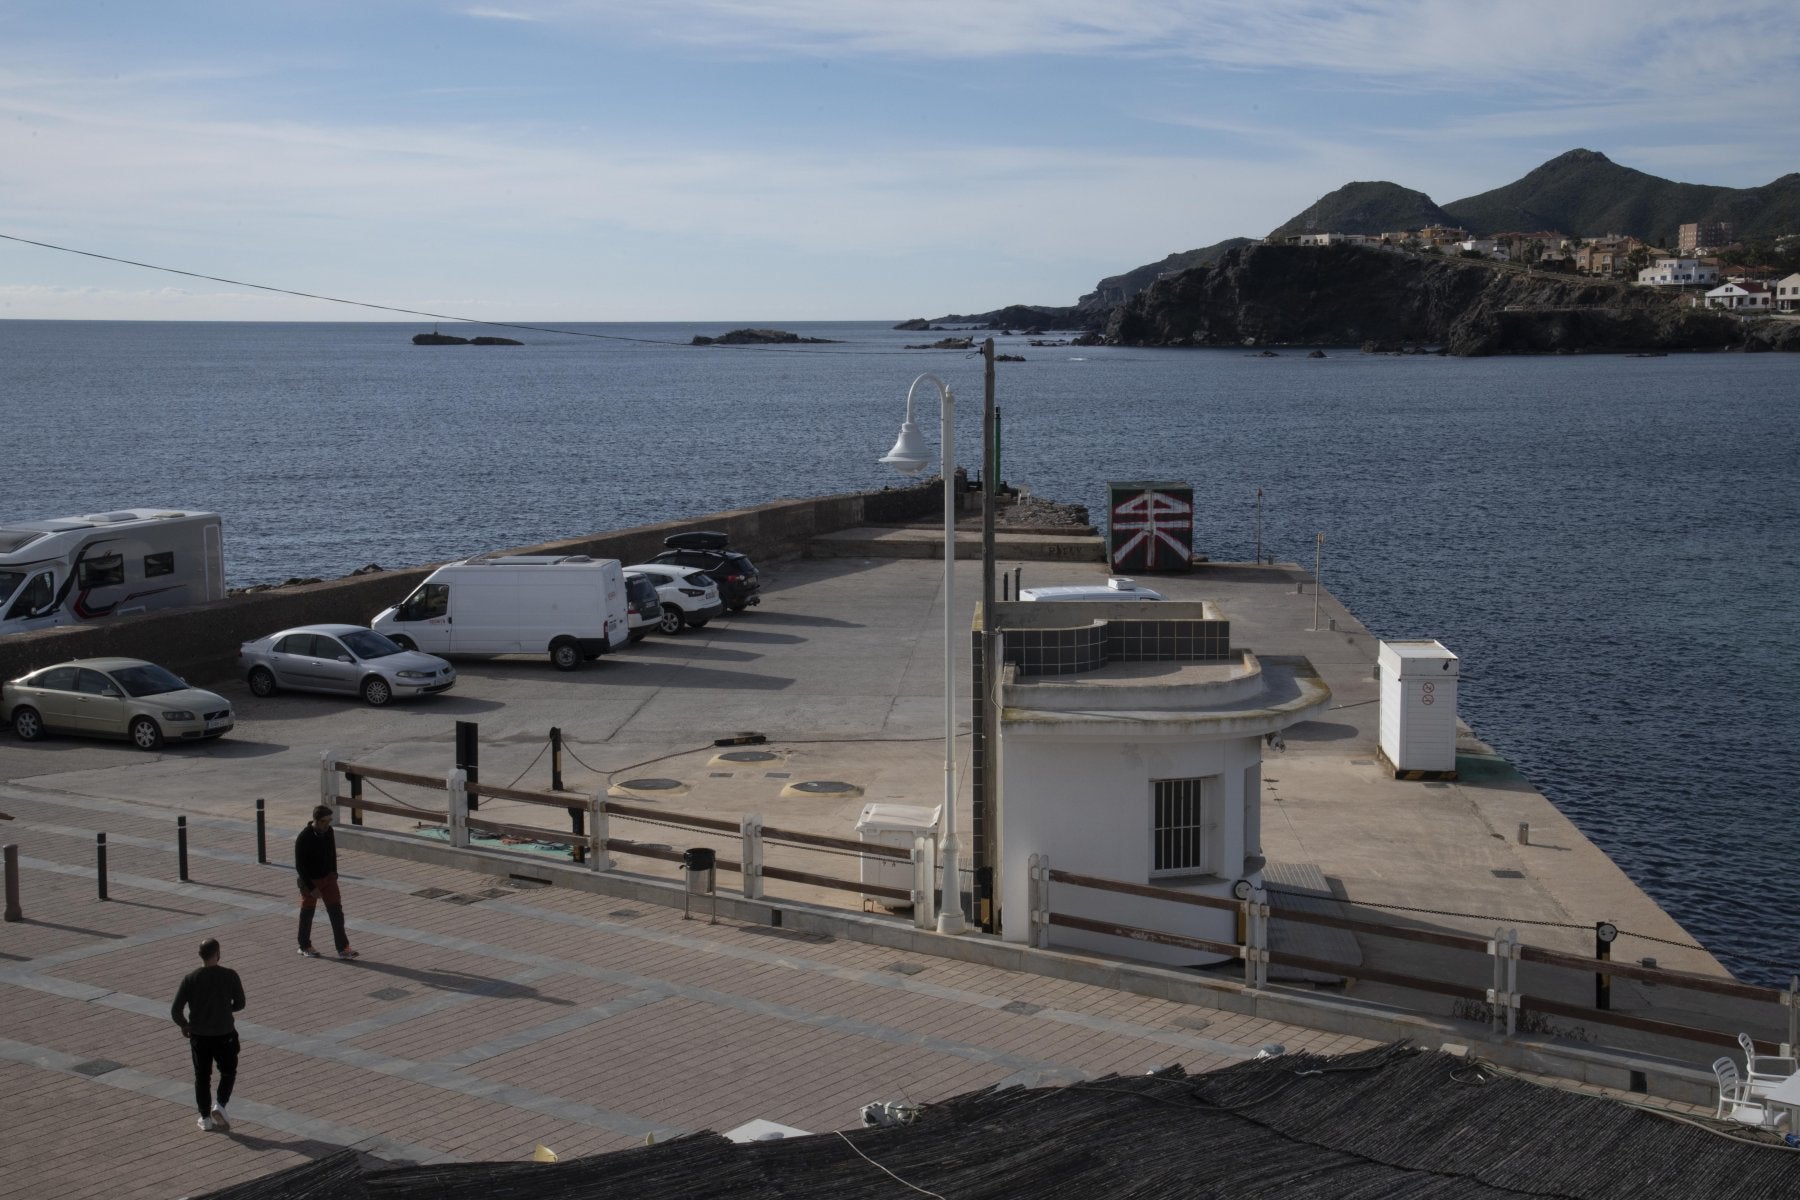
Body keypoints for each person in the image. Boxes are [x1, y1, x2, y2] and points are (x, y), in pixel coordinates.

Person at [170, 937, 245, 1132]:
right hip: (225, 1034)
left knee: (202, 1077)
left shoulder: (190, 979)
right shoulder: (230, 975)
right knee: (228, 1071)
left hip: (199, 1036)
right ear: (218, 954)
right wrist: (225, 1009)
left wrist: (184, 1025)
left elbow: (175, 1010)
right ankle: (219, 1104)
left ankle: (205, 1118)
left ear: (199, 955)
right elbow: (240, 1003)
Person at [295, 804, 358, 960]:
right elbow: (300, 866)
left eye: (329, 821)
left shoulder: (329, 831)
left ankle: (343, 948)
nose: (327, 824)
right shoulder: (304, 838)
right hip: (311, 881)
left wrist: (334, 873)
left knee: (336, 913)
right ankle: (304, 945)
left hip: (328, 879)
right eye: (324, 821)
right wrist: (311, 887)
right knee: (307, 914)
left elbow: (332, 852)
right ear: (316, 820)